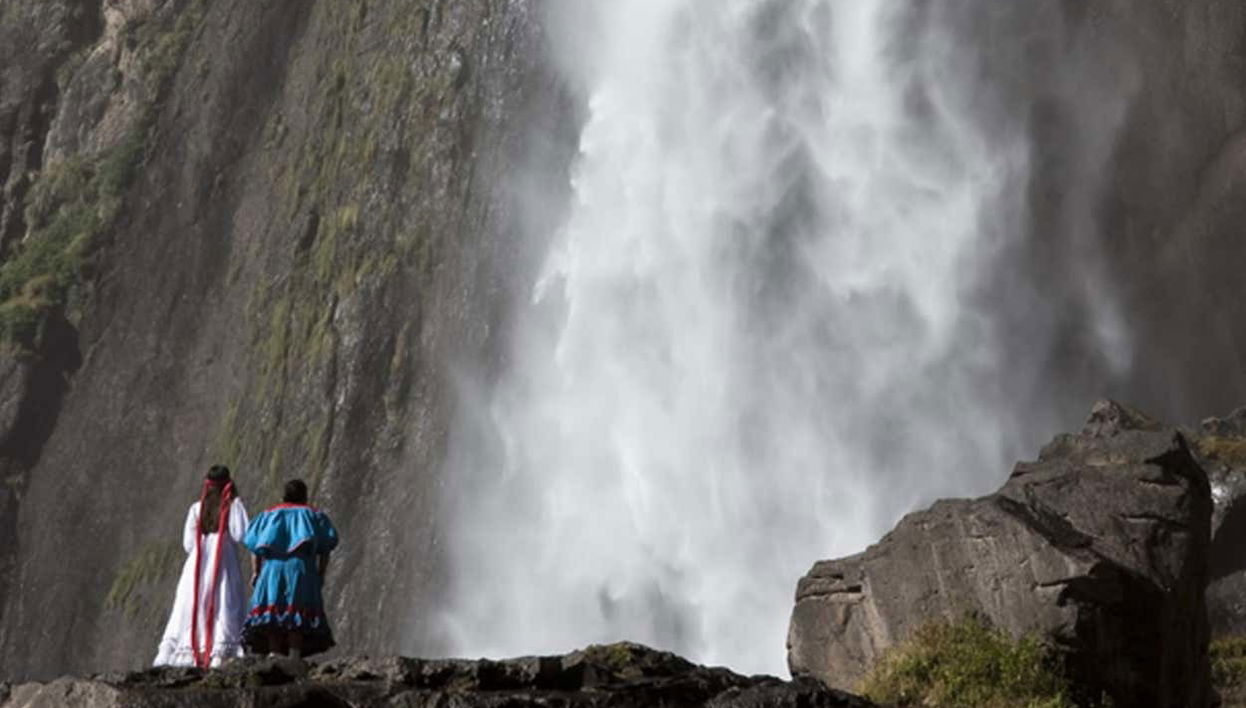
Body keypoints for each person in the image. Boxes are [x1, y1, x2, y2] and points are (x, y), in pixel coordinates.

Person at [153, 465, 250, 668]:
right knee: (223, 601)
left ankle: (191, 647)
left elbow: (188, 544)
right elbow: (241, 533)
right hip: (223, 560)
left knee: (192, 603)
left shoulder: (196, 508)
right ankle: (218, 651)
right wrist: (236, 501)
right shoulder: (231, 506)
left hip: (198, 562)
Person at [242, 479, 339, 659]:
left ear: (283, 496)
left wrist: (255, 571)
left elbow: (254, 547)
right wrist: (321, 573)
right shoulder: (314, 515)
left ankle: (273, 654)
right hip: (300, 568)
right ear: (304, 495)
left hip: (272, 568)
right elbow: (326, 548)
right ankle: (294, 655)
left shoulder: (268, 515)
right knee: (297, 611)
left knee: (273, 611)